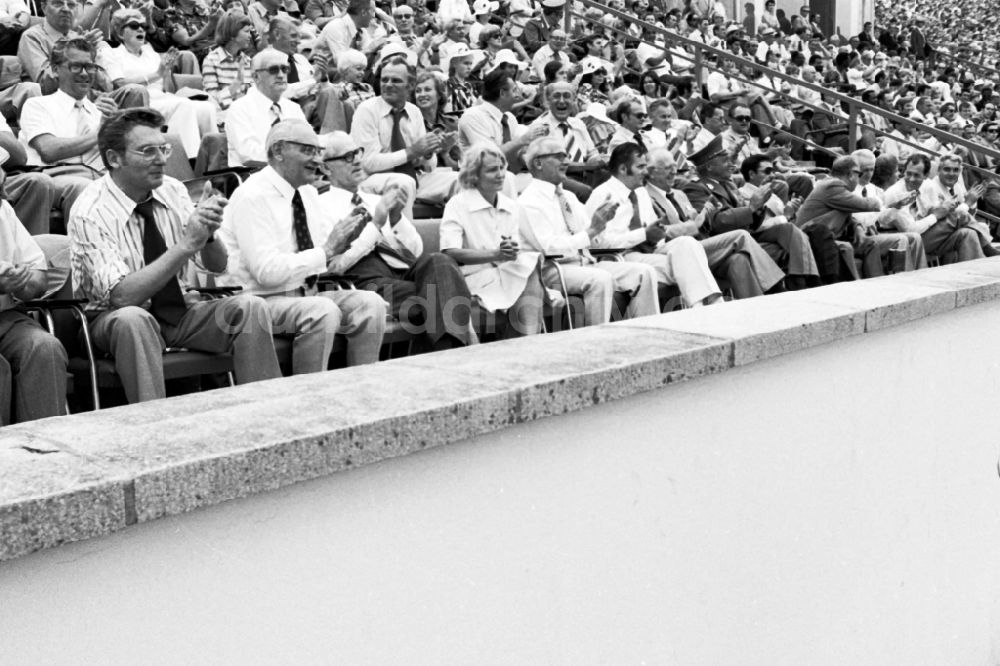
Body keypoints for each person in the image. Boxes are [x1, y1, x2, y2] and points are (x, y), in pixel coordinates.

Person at [68, 108, 282, 404]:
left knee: (250, 308)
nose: (161, 159)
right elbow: (121, 297)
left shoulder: (173, 189)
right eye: (147, 151)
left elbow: (217, 265)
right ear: (114, 159)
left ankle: (266, 412)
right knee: (134, 319)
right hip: (109, 322)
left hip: (179, 312)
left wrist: (207, 233)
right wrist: (185, 245)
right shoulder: (90, 211)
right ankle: (156, 425)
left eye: (163, 148)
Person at [219, 121, 387, 372]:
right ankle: (309, 399)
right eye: (308, 151)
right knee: (322, 311)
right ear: (278, 152)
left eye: (318, 152)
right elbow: (266, 273)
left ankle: (360, 391)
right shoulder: (252, 196)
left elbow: (323, 261)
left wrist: (345, 241)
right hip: (258, 301)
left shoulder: (307, 194)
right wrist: (327, 250)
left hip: (305, 294)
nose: (317, 160)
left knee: (370, 304)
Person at [319, 132, 477, 351]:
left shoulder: (375, 200)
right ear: (326, 168)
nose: (356, 160)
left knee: (439, 261)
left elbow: (414, 252)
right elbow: (335, 264)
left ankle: (449, 354)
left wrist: (395, 220)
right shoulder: (319, 207)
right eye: (346, 157)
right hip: (362, 282)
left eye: (357, 152)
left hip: (399, 274)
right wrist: (376, 224)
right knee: (443, 296)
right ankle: (458, 351)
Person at [518, 137, 659, 325]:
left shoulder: (568, 196)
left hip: (585, 262)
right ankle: (596, 342)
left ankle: (647, 333)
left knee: (644, 272)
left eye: (566, 156)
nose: (566, 161)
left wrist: (601, 223)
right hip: (553, 269)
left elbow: (593, 239)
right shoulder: (529, 201)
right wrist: (592, 230)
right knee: (600, 279)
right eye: (559, 156)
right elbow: (551, 249)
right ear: (538, 163)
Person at [586, 142, 723, 308]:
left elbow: (653, 233)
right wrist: (643, 234)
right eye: (641, 167)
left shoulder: (641, 192)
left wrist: (656, 234)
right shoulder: (602, 194)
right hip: (622, 256)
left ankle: (708, 304)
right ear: (623, 169)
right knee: (686, 266)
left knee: (687, 244)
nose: (646, 171)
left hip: (650, 251)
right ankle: (705, 307)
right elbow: (598, 243)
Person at [647, 147, 786, 298]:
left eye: (675, 167)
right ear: (652, 172)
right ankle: (776, 289)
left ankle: (756, 309)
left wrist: (704, 218)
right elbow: (659, 233)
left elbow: (703, 225)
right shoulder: (647, 197)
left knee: (738, 260)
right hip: (679, 252)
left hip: (702, 246)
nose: (674, 172)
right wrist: (694, 225)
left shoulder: (680, 194)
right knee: (741, 236)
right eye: (668, 168)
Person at [440, 143, 546, 338]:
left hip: (503, 273)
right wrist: (495, 254)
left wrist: (509, 251)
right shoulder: (458, 204)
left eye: (501, 168)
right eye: (491, 170)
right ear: (474, 175)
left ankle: (527, 343)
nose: (500, 174)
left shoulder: (510, 206)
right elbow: (449, 253)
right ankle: (528, 343)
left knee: (529, 264)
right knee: (528, 274)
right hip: (471, 279)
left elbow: (512, 252)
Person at [0, 148, 67, 425]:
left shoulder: (3, 209)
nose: (4, 175)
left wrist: (23, 283)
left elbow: (38, 276)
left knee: (44, 347)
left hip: (6, 318)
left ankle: (46, 450)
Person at [18, 38, 115, 226]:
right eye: (76, 67)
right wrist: (100, 133)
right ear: (55, 70)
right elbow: (49, 150)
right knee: (86, 188)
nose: (85, 73)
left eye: (90, 66)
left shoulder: (99, 112)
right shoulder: (38, 105)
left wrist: (116, 129)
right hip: (52, 176)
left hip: (99, 174)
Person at [100, 9, 218, 161]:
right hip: (138, 101)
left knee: (206, 108)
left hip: (162, 98)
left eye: (143, 25)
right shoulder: (111, 54)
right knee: (184, 105)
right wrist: (157, 74)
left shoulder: (150, 52)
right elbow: (120, 83)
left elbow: (165, 88)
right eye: (134, 25)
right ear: (120, 33)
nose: (141, 29)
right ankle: (189, 161)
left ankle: (215, 161)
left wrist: (166, 71)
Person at [883, 153, 996, 263]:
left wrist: (942, 209)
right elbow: (911, 230)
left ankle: (974, 272)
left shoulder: (928, 186)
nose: (911, 179)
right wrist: (936, 215)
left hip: (928, 236)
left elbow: (934, 212)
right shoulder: (895, 193)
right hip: (908, 241)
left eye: (917, 175)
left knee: (967, 233)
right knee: (959, 215)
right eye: (908, 174)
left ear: (926, 175)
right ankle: (989, 250)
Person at [796, 155, 885, 278]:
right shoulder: (831, 186)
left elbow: (846, 213)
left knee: (870, 244)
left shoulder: (837, 188)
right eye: (859, 174)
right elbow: (864, 204)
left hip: (833, 235)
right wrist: (885, 199)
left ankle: (876, 283)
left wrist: (857, 226)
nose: (859, 179)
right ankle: (853, 287)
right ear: (850, 174)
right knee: (846, 248)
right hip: (811, 238)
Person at [224, 47, 307, 168]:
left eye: (285, 69)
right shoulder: (240, 109)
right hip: (255, 177)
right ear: (256, 77)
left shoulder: (294, 108)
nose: (281, 75)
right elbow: (249, 155)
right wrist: (293, 157)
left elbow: (308, 143)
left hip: (295, 175)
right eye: (273, 70)